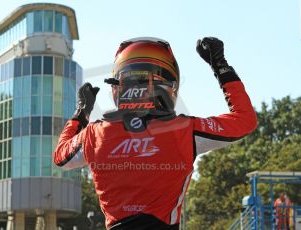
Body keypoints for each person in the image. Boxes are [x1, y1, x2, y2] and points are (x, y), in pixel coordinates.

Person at [53, 37, 258, 229]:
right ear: (168, 86)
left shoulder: (93, 134)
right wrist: (221, 67)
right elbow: (245, 120)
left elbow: (60, 156)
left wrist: (81, 113)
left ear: (118, 85)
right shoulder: (184, 130)